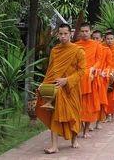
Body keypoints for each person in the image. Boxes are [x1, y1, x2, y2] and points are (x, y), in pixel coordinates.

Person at [35, 23, 85, 154]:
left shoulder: (78, 51)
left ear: (70, 34)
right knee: (54, 114)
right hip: (56, 87)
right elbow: (51, 70)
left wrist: (67, 80)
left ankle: (74, 139)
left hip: (72, 88)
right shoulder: (55, 50)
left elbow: (81, 71)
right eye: (61, 34)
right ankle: (54, 146)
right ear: (57, 35)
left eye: (65, 34)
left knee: (73, 115)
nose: (63, 36)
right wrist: (44, 83)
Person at [75, 22, 102, 138]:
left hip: (91, 78)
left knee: (89, 106)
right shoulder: (75, 45)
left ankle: (86, 130)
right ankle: (79, 126)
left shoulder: (96, 45)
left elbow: (99, 60)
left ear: (90, 32)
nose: (84, 33)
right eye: (82, 31)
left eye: (86, 31)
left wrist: (93, 69)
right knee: (78, 104)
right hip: (78, 79)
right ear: (80, 32)